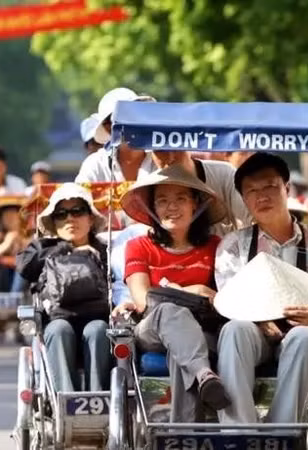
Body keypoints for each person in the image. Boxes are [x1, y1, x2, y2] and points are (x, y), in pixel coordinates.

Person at [213, 152, 308, 425]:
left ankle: (284, 434)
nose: (262, 196)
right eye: (252, 191)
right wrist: (261, 321)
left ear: (287, 188)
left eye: (270, 187)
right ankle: (239, 435)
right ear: (243, 199)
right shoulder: (232, 246)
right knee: (234, 330)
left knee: (307, 337)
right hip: (254, 331)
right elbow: (231, 302)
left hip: (304, 328)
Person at [111, 165, 231, 423]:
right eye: (162, 201)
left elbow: (225, 298)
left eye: (180, 199)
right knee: (169, 311)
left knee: (181, 351)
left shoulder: (215, 247)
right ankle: (204, 374)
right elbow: (143, 299)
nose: (172, 207)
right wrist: (193, 291)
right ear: (153, 208)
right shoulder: (138, 246)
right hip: (153, 327)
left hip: (201, 332)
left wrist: (200, 294)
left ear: (195, 204)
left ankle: (184, 433)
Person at [16, 183, 112, 392]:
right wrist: (67, 249)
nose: (70, 218)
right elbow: (24, 267)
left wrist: (92, 254)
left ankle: (99, 401)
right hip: (56, 321)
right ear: (54, 221)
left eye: (78, 211)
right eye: (61, 214)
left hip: (98, 319)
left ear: (90, 218)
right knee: (60, 330)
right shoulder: (42, 248)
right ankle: (67, 403)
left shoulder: (106, 251)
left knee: (98, 330)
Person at [148, 149, 252, 236]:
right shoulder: (147, 185)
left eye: (177, 149)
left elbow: (249, 222)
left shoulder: (224, 173)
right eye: (161, 151)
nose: (171, 157)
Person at [75, 87, 157, 183]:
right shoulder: (96, 164)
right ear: (108, 128)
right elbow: (80, 190)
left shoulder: (160, 158)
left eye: (134, 115)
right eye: (122, 118)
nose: (130, 124)